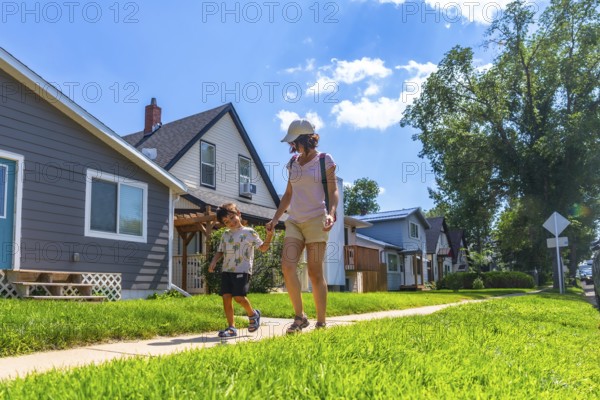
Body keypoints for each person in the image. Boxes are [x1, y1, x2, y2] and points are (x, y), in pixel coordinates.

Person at [266, 119, 338, 333]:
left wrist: (331, 214)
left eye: (294, 141)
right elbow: (288, 194)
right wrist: (275, 218)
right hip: (294, 222)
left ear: (304, 139)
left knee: (315, 273)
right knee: (287, 267)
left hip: (316, 220)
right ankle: (300, 317)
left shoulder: (324, 160)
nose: (292, 146)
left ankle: (321, 322)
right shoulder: (293, 164)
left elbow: (333, 191)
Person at [209, 202, 274, 337]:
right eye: (227, 222)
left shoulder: (249, 232)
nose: (231, 223)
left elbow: (263, 248)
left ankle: (253, 314)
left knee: (239, 297)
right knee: (226, 298)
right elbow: (220, 251)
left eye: (232, 218)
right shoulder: (225, 234)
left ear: (238, 213)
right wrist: (214, 261)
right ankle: (231, 328)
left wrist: (269, 236)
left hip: (242, 270)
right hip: (227, 270)